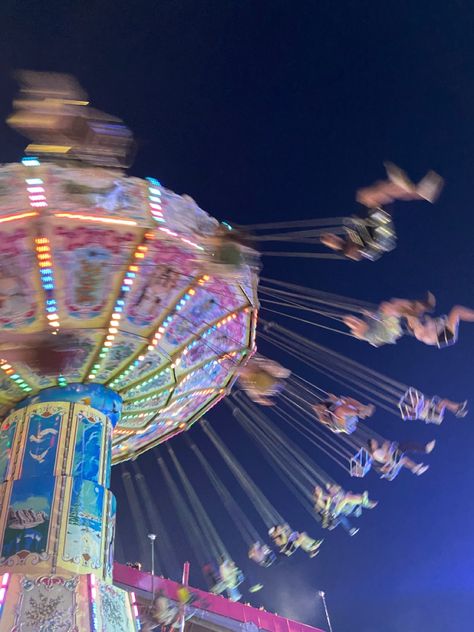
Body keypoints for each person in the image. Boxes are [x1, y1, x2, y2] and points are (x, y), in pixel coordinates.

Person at [342, 292, 436, 346]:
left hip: (384, 330)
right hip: (385, 331)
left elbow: (381, 320)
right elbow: (382, 322)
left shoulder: (373, 329)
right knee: (392, 307)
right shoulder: (373, 331)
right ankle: (420, 307)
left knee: (392, 307)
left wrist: (372, 316)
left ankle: (419, 308)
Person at [356, 162, 444, 208]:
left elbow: (380, 191)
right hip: (395, 188)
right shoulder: (379, 195)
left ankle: (430, 183)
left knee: (409, 192)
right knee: (411, 193)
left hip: (394, 187)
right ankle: (430, 183)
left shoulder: (377, 193)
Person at [404, 305, 474, 348]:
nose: (416, 318)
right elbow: (426, 337)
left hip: (443, 334)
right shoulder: (418, 332)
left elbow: (424, 316)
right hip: (444, 335)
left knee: (457, 311)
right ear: (411, 324)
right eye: (414, 319)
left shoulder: (421, 325)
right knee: (457, 310)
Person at [367, 438, 435, 477]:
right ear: (372, 445)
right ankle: (425, 449)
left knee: (405, 460)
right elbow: (386, 458)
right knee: (406, 446)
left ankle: (417, 469)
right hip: (392, 458)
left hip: (393, 460)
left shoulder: (376, 452)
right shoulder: (376, 452)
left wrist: (386, 447)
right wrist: (385, 447)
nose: (376, 442)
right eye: (374, 442)